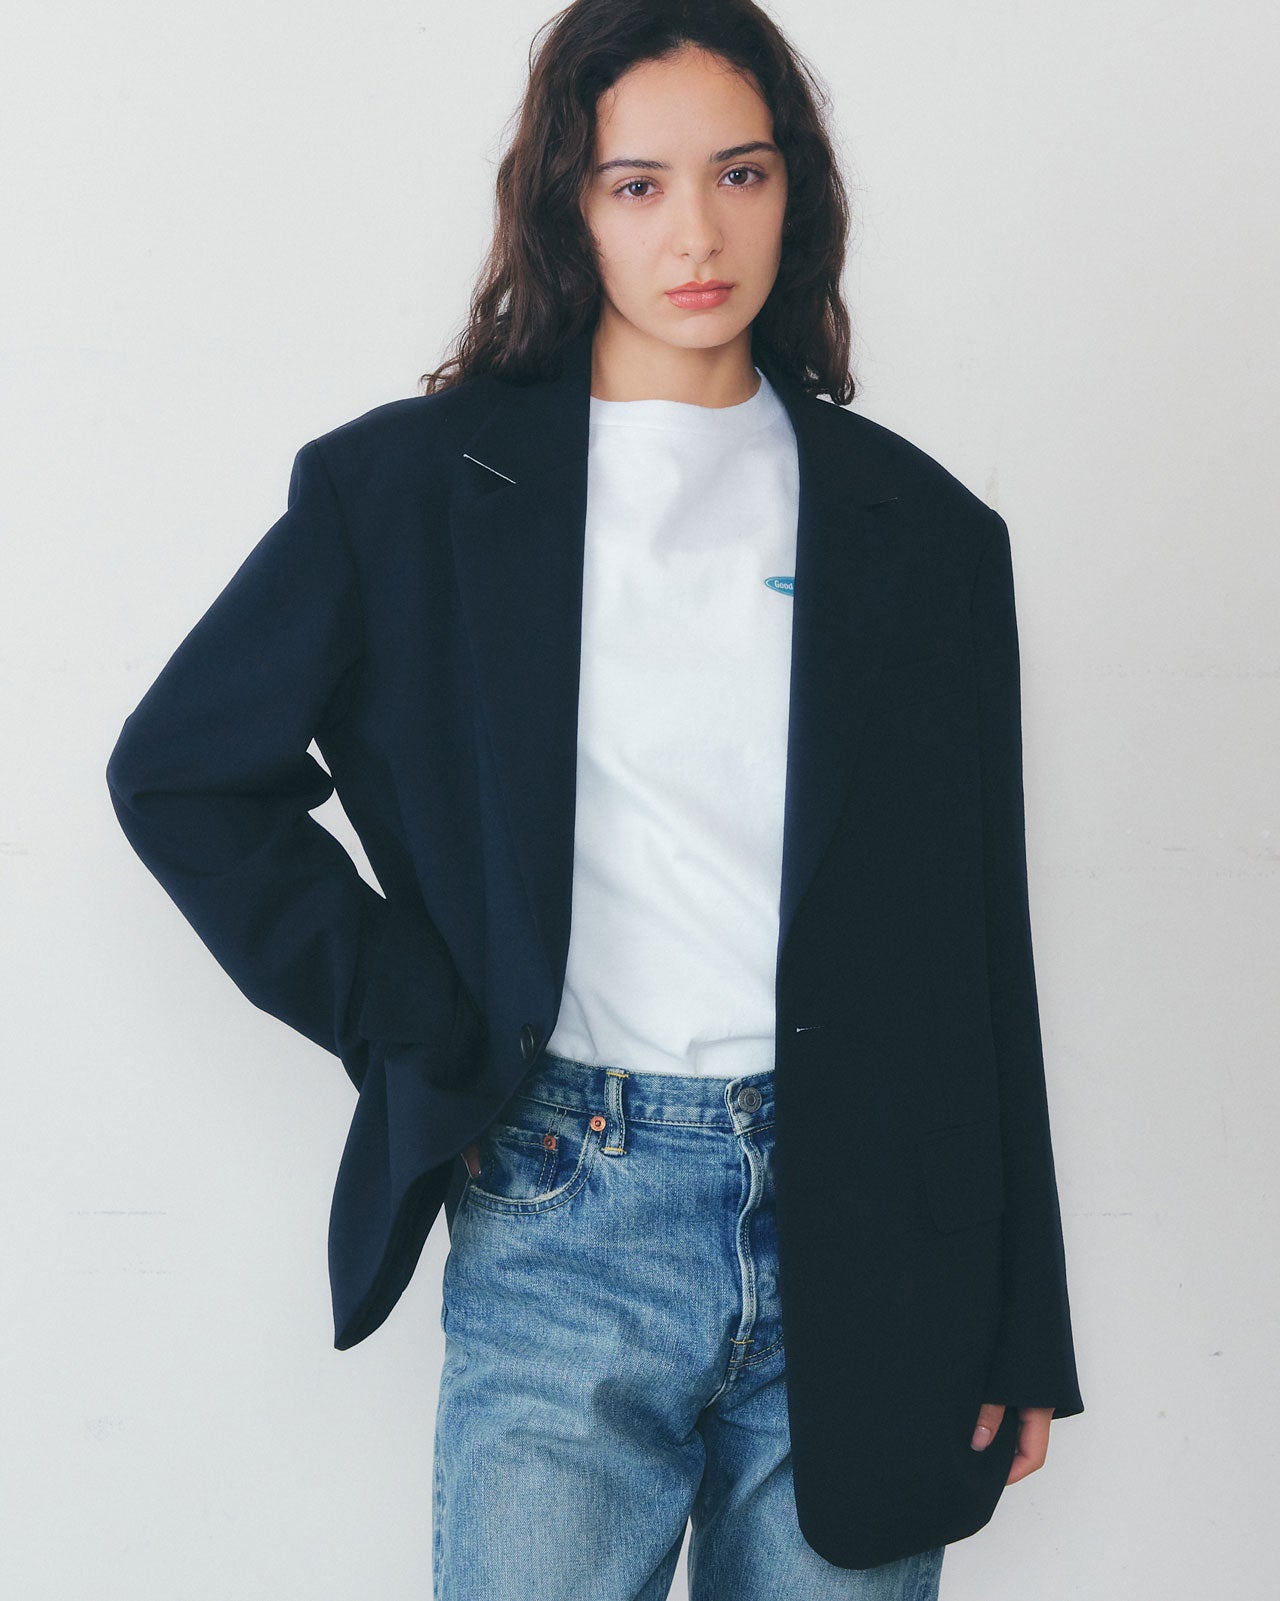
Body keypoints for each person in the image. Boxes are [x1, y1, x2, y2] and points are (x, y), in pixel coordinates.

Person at [105, 1, 1084, 1596]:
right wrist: (416, 1014)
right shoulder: (408, 490)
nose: (698, 232)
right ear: (568, 202)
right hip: (568, 1209)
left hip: (869, 1234)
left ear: (797, 190)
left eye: (741, 173)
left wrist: (1020, 1313)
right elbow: (184, 775)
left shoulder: (923, 531)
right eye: (639, 184)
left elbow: (977, 938)